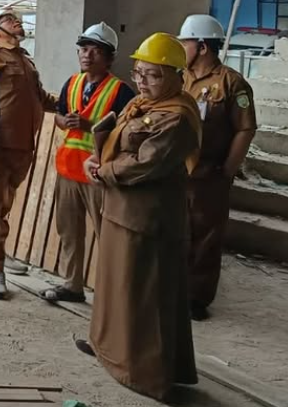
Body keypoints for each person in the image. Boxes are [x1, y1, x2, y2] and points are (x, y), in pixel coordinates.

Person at [79, 32, 200, 401]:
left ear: (178, 76)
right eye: (138, 73)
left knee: (146, 296)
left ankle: (147, 374)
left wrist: (106, 172)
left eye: (153, 75)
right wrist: (96, 160)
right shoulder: (142, 107)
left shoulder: (177, 117)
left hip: (148, 218)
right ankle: (111, 353)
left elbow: (148, 163)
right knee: (118, 289)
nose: (143, 82)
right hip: (120, 210)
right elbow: (118, 146)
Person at [39, 23, 134, 303]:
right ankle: (72, 285)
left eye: (95, 51)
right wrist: (63, 121)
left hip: (98, 174)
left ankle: (112, 294)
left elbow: (126, 133)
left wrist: (90, 124)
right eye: (83, 49)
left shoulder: (121, 92)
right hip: (68, 170)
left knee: (108, 235)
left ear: (109, 58)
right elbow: (59, 115)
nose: (87, 55)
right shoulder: (72, 83)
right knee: (69, 232)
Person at [179, 14, 257, 321]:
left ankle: (196, 298)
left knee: (205, 236)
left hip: (209, 174)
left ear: (200, 46)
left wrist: (227, 170)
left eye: (185, 42)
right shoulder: (180, 77)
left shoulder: (231, 82)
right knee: (176, 232)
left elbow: (245, 128)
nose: (181, 47)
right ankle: (173, 289)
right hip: (178, 171)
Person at [0, 7, 55, 299]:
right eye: (9, 19)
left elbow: (41, 98)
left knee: (4, 206)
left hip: (23, 147)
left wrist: (67, 105)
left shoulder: (26, 61)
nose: (16, 21)